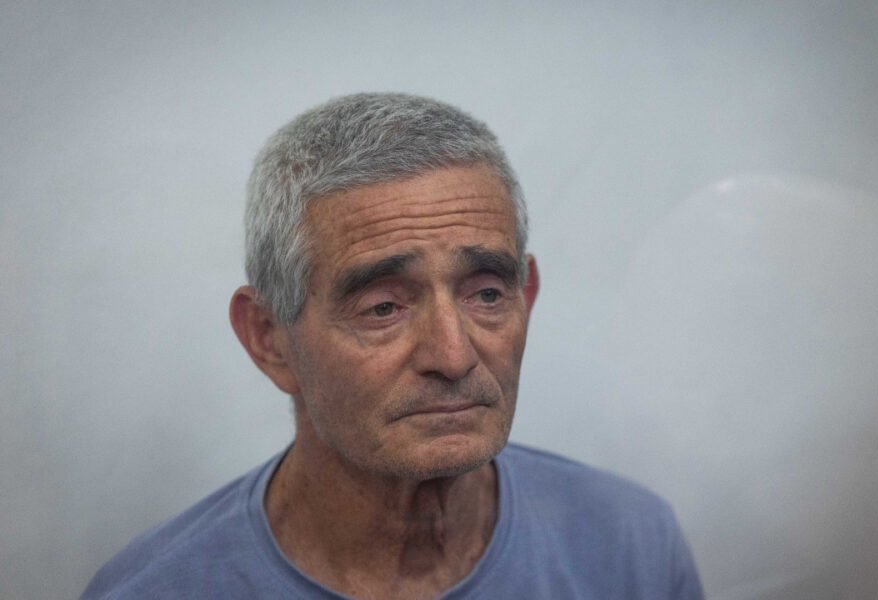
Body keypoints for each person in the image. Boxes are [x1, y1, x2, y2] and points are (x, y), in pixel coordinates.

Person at [82, 93, 703, 599]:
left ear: (527, 297)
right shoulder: (154, 591)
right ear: (269, 339)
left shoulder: (630, 548)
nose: (453, 356)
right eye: (383, 307)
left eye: (487, 294)